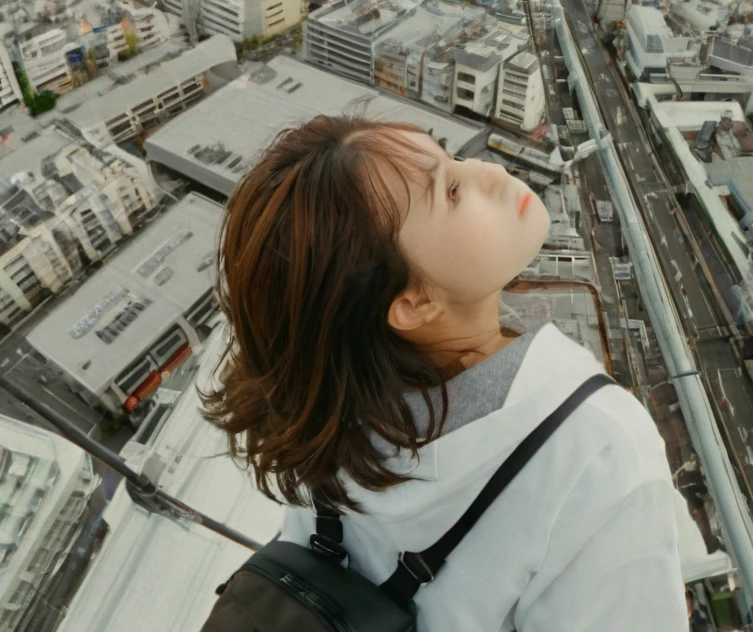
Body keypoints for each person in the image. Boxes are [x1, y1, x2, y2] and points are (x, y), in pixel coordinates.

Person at [202, 114, 706, 631]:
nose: (487, 169)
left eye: (451, 156)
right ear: (412, 303)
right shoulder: (597, 449)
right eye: (451, 192)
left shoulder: (329, 395)